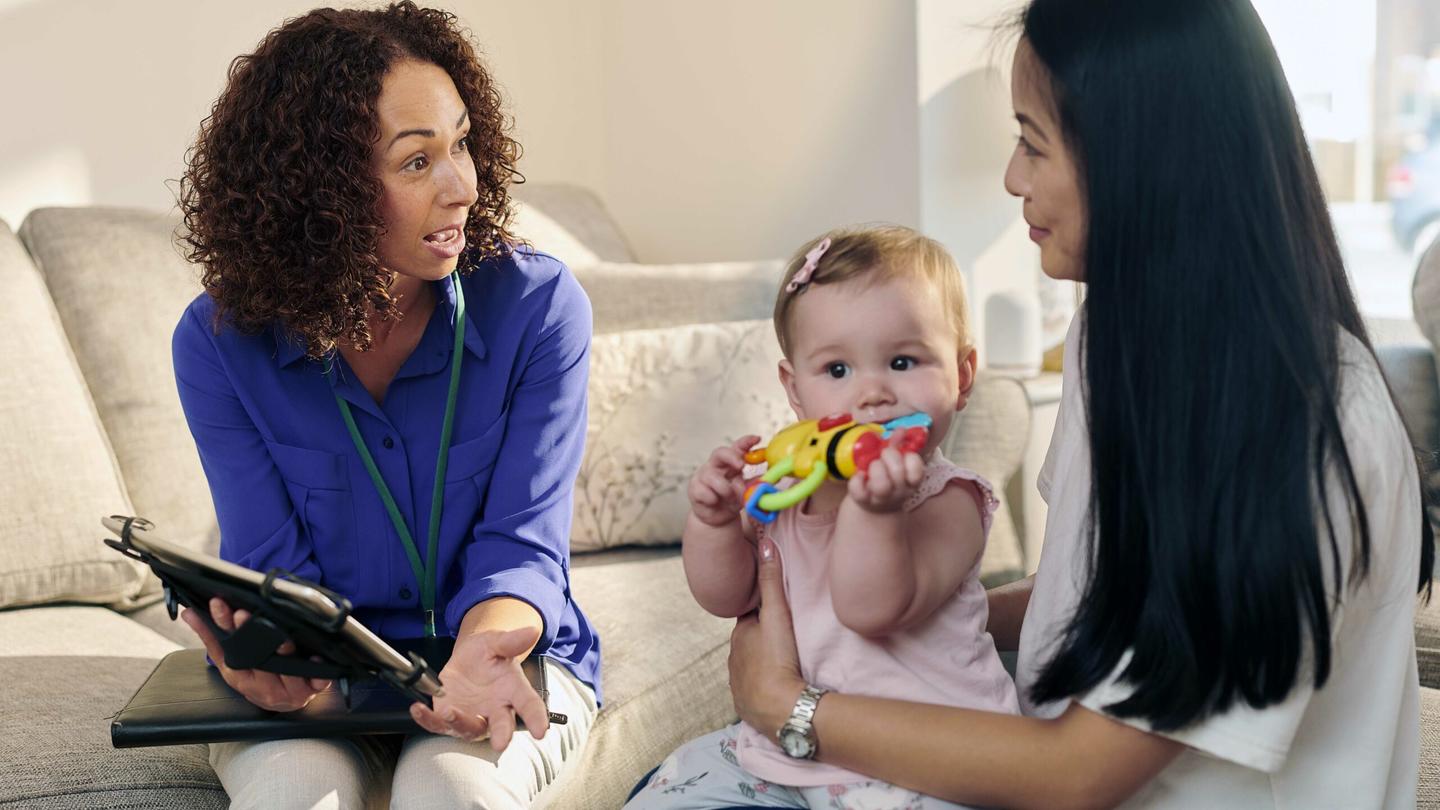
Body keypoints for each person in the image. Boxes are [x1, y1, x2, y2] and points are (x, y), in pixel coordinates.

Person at [719, 1, 1437, 808]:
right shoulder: (1122, 327)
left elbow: (1079, 774)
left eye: (1032, 141)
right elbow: (1090, 596)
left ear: (1138, 159)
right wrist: (906, 623)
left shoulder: (1301, 424)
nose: (1011, 177)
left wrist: (792, 705)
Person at [170, 4, 599, 807]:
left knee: (451, 790)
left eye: (463, 144)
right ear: (320, 194)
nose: (463, 186)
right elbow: (273, 568)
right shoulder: (219, 342)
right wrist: (270, 658)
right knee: (297, 792)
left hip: (504, 655)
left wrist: (482, 657)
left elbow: (523, 543)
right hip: (322, 679)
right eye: (417, 162)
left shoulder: (539, 309)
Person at [627, 225, 1019, 809]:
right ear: (795, 390)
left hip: (926, 762)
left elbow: (870, 609)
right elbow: (726, 595)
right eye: (838, 371)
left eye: (903, 361)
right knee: (667, 793)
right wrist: (713, 521)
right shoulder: (783, 489)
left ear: (961, 376)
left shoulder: (950, 500)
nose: (872, 395)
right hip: (784, 754)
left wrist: (872, 508)